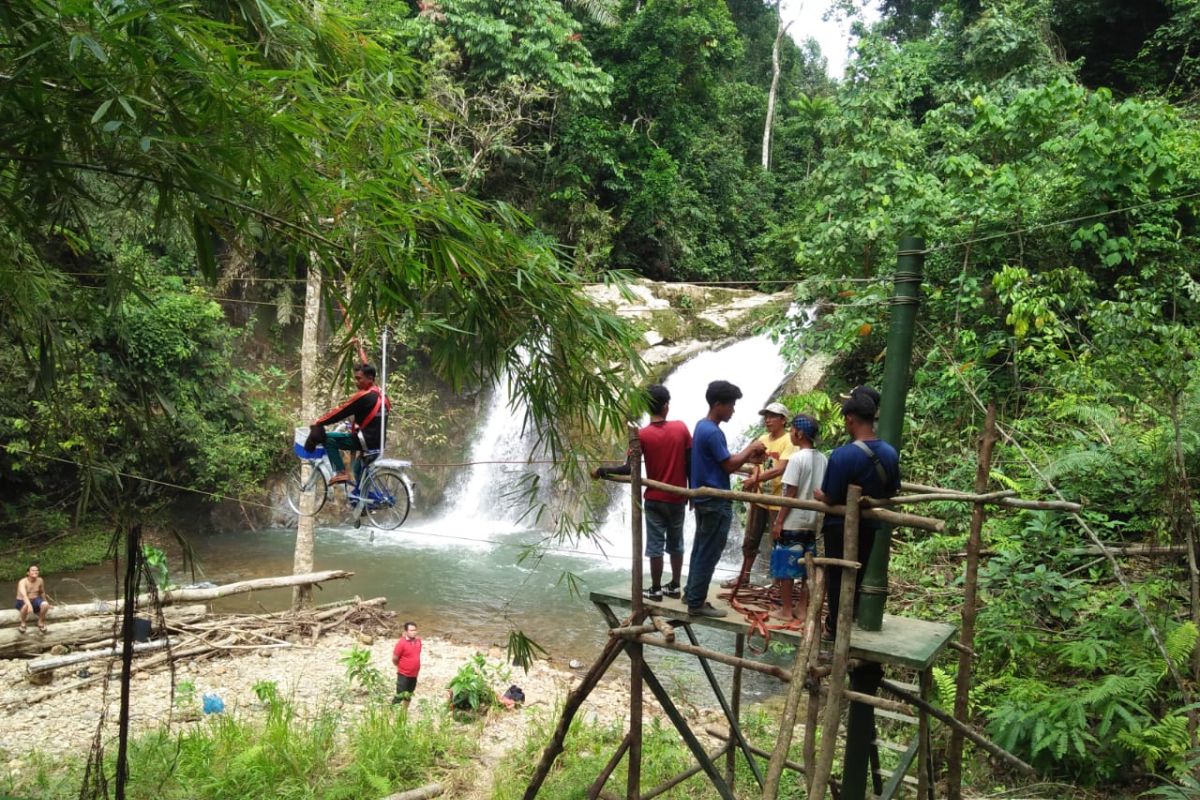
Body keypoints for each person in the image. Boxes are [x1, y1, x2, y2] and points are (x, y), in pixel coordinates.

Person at [814, 385, 900, 637]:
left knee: (837, 575)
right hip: (870, 524)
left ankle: (834, 624)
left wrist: (819, 495)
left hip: (838, 526)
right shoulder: (890, 453)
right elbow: (891, 490)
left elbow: (830, 497)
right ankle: (848, 617)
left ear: (850, 419)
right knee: (857, 570)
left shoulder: (843, 455)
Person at [595, 385, 692, 601]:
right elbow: (690, 463)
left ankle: (655, 589)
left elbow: (628, 469)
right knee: (676, 542)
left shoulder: (641, 436)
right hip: (678, 497)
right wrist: (691, 493)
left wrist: (602, 471)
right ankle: (675, 586)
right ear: (666, 405)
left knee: (655, 544)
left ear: (648, 408)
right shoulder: (681, 428)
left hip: (655, 499)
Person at [684, 380, 767, 618]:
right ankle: (697, 602)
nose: (733, 410)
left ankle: (691, 593)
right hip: (715, 500)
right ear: (718, 404)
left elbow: (721, 462)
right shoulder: (713, 431)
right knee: (709, 551)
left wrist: (748, 459)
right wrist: (750, 449)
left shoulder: (702, 427)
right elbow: (729, 465)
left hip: (704, 499)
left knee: (701, 548)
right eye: (731, 405)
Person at [722, 402, 796, 590]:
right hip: (759, 497)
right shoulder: (763, 438)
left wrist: (755, 479)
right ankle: (743, 577)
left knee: (778, 540)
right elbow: (757, 463)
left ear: (783, 420)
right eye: (766, 416)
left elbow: (781, 468)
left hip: (778, 499)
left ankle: (778, 583)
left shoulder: (789, 441)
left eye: (772, 416)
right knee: (751, 538)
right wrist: (755, 478)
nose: (768, 420)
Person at [769, 414, 828, 621]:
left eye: (792, 429)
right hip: (811, 522)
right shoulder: (822, 459)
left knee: (785, 566)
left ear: (799, 433)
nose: (791, 433)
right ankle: (802, 608)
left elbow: (790, 493)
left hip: (792, 521)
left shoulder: (796, 459)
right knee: (806, 567)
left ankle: (785, 609)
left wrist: (779, 522)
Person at [305, 363, 392, 484]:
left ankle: (340, 472)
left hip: (365, 442)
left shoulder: (363, 397)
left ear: (370, 378)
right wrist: (359, 348)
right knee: (356, 483)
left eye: (359, 378)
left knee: (328, 439)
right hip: (378, 443)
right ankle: (361, 497)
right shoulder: (381, 393)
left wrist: (320, 422)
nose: (356, 382)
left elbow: (341, 411)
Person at [391, 621, 421, 707]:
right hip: (403, 674)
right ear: (406, 631)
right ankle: (392, 712)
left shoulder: (418, 641)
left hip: (414, 674)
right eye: (411, 630)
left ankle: (404, 713)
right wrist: (400, 666)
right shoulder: (401, 643)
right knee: (400, 695)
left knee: (409, 694)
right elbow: (395, 658)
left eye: (415, 630)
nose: (413, 632)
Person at [15, 564, 51, 634]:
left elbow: (42, 592)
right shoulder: (22, 582)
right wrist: (29, 605)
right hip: (22, 600)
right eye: (33, 570)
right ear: (28, 573)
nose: (35, 571)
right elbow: (24, 595)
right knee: (26, 605)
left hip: (35, 599)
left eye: (37, 570)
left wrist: (46, 601)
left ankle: (40, 622)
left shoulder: (40, 580)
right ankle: (23, 623)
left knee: (45, 604)